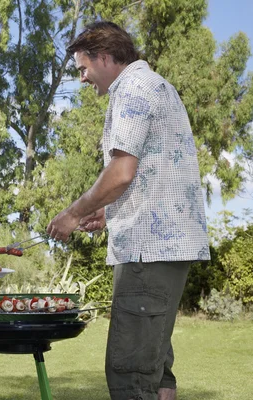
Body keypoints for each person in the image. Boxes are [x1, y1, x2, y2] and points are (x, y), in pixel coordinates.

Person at [46, 21, 210, 400]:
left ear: (104, 57)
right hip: (168, 249)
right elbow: (156, 173)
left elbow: (121, 172)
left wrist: (72, 213)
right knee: (157, 371)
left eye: (83, 68)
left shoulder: (131, 89)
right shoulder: (158, 85)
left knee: (131, 377)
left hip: (146, 253)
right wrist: (107, 212)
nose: (83, 79)